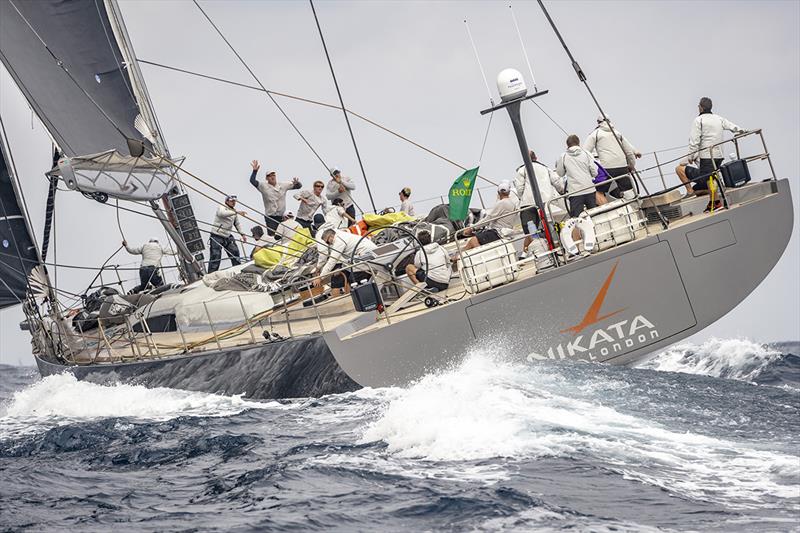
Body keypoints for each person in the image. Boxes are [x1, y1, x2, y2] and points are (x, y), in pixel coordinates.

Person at [676, 97, 744, 204]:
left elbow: (694, 141)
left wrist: (690, 156)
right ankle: (714, 198)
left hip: (707, 155)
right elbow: (731, 126)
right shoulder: (718, 118)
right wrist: (741, 130)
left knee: (708, 178)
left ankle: (715, 203)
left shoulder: (699, 120)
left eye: (698, 106)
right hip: (718, 155)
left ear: (701, 108)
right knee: (710, 177)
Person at [514, 150, 566, 256]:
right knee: (549, 225)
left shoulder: (522, 170)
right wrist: (562, 191)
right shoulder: (545, 168)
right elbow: (557, 182)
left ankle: (537, 251)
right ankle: (556, 245)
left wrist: (521, 197)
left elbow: (519, 189)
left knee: (530, 230)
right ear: (536, 157)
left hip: (529, 204)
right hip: (546, 202)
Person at [583, 115, 641, 203]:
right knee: (628, 190)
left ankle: (606, 209)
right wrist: (632, 164)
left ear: (598, 123)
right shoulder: (617, 133)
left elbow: (585, 152)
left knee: (598, 191)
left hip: (607, 169)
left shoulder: (595, 134)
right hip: (622, 167)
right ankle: (635, 206)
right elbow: (628, 150)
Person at [313, 228, 377, 294]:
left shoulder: (339, 241)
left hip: (367, 254)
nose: (328, 244)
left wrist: (320, 277)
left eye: (327, 242)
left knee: (354, 278)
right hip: (365, 254)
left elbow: (332, 261)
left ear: (331, 236)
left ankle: (366, 295)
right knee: (354, 277)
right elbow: (347, 257)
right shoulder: (341, 235)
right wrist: (339, 269)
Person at [461, 180, 519, 253]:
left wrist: (472, 228)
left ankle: (460, 257)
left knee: (473, 241)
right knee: (474, 241)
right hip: (504, 231)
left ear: (498, 192)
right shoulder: (511, 203)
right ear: (509, 192)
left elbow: (488, 219)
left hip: (498, 232)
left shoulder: (501, 203)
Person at [248, 160, 301, 235]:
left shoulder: (283, 185)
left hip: (282, 217)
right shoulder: (263, 186)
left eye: (273, 175)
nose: (272, 177)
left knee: (284, 235)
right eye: (269, 176)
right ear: (267, 178)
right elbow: (252, 181)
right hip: (270, 217)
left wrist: (297, 183)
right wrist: (255, 171)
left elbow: (298, 186)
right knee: (273, 236)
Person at [556, 134, 599, 217]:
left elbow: (560, 173)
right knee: (594, 216)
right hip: (589, 189)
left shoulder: (563, 156)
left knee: (577, 219)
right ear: (578, 142)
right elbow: (595, 172)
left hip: (575, 192)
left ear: (567, 145)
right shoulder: (586, 153)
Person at [208, 195, 247, 273]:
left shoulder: (234, 212)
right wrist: (236, 212)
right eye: (232, 201)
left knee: (235, 252)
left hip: (227, 235)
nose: (233, 203)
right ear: (227, 201)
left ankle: (238, 270)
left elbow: (237, 223)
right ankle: (211, 274)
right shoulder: (222, 206)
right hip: (217, 235)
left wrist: (242, 234)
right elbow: (221, 214)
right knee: (216, 256)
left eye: (234, 201)